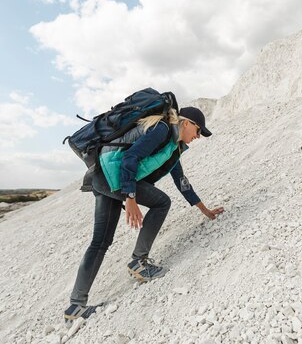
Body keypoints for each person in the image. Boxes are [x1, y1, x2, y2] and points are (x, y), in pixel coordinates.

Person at [65, 106, 225, 322]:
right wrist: (130, 196)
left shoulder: (173, 147)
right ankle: (139, 262)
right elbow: (130, 157)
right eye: (198, 131)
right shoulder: (162, 130)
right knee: (162, 202)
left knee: (100, 241)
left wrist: (204, 210)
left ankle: (76, 308)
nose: (198, 137)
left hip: (104, 177)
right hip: (113, 176)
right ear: (186, 123)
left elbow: (180, 180)